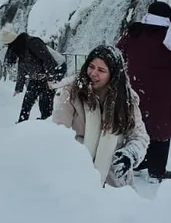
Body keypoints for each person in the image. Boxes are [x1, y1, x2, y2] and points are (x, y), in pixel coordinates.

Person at [116, 1, 171, 181]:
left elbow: (117, 54)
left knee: (138, 124)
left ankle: (139, 161)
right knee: (160, 129)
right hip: (163, 93)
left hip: (135, 88)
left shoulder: (134, 32)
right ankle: (157, 170)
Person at [52, 45, 149, 188]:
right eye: (91, 67)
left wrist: (130, 154)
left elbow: (139, 136)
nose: (93, 73)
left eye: (101, 70)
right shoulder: (71, 93)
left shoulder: (126, 100)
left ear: (113, 75)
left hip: (114, 182)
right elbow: (58, 135)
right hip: (76, 177)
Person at [1, 26, 67, 122]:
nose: (7, 50)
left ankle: (46, 121)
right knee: (28, 98)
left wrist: (50, 78)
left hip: (56, 68)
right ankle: (22, 122)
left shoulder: (33, 42)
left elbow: (48, 59)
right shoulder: (20, 50)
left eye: (7, 46)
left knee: (45, 97)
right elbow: (21, 69)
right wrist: (18, 87)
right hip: (40, 72)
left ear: (13, 44)